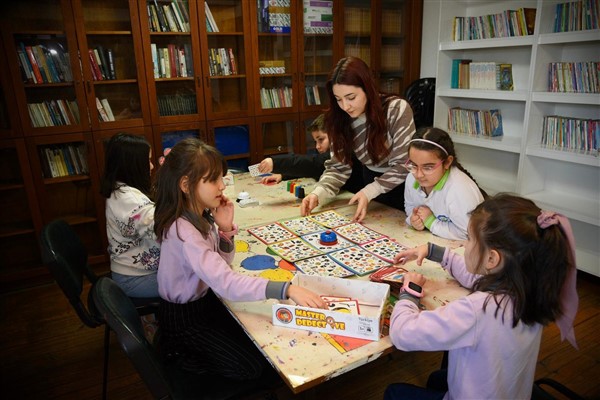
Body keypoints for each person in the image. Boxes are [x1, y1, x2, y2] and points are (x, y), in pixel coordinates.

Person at [153, 138, 326, 381]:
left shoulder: (198, 215)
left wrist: (224, 229)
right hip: (184, 320)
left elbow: (221, 264)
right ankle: (177, 354)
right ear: (185, 184)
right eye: (213, 180)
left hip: (205, 302)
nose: (222, 186)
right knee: (252, 367)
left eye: (221, 177)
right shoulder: (184, 231)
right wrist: (285, 289)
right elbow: (227, 282)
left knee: (258, 343)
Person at [385, 193, 579, 400]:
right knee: (436, 379)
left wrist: (409, 293)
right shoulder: (531, 289)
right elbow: (476, 276)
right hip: (510, 393)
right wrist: (438, 253)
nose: (465, 245)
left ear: (492, 258)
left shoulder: (478, 310)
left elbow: (403, 334)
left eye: (469, 239)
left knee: (394, 392)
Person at [300, 56, 416, 222]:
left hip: (403, 188)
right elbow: (338, 168)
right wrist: (317, 193)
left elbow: (404, 164)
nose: (345, 106)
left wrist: (369, 191)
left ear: (367, 88)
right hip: (370, 187)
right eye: (338, 99)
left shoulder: (396, 109)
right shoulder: (339, 118)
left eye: (351, 97)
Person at [100, 132, 160, 298]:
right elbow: (161, 227)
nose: (152, 166)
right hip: (135, 279)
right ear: (132, 165)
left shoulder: (120, 189)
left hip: (131, 272)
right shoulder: (129, 198)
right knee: (196, 283)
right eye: (147, 161)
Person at [404, 127, 486, 240]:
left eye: (428, 167)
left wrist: (431, 223)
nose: (418, 175)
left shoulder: (459, 190)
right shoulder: (411, 178)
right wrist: (413, 219)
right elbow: (409, 206)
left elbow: (469, 233)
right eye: (413, 165)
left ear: (447, 162)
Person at [258, 114, 363, 192]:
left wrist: (276, 162)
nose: (317, 146)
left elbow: (314, 164)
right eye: (315, 141)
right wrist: (283, 175)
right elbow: (311, 168)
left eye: (321, 139)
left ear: (335, 135)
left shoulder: (344, 152)